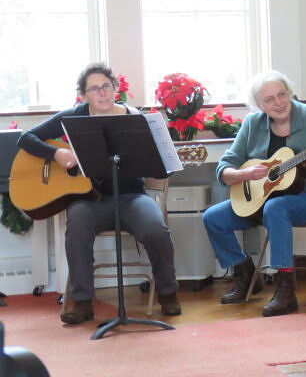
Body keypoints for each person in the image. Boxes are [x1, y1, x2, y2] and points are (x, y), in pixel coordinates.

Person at [17, 63, 182, 324]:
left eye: (106, 86)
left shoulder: (134, 118)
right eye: (94, 89)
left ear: (115, 89)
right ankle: (82, 302)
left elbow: (164, 168)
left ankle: (167, 293)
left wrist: (162, 163)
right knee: (78, 223)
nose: (102, 93)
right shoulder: (75, 116)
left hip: (132, 197)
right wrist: (57, 153)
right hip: (90, 200)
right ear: (84, 95)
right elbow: (26, 138)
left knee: (155, 229)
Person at [202, 70, 306, 317]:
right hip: (265, 199)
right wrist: (242, 175)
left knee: (276, 209)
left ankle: (286, 289)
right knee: (213, 217)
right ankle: (245, 273)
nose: (278, 102)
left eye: (282, 94)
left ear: (290, 93)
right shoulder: (252, 124)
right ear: (259, 105)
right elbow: (226, 165)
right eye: (269, 99)